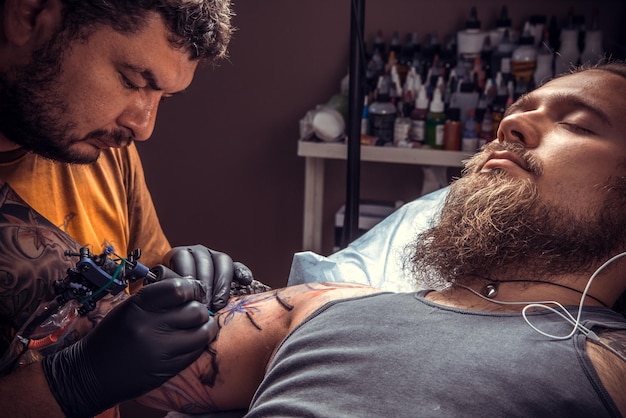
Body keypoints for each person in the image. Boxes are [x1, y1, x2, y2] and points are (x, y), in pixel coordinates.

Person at [137, 61, 626, 417]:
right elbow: (99, 346)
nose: (511, 124)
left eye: (576, 123)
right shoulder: (326, 305)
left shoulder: (613, 366)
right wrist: (92, 358)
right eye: (518, 109)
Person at [0, 1, 257, 417]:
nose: (144, 126)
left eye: (163, 97)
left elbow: (141, 279)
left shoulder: (99, 148)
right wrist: (73, 383)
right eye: (132, 80)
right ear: (28, 16)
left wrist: (176, 274)